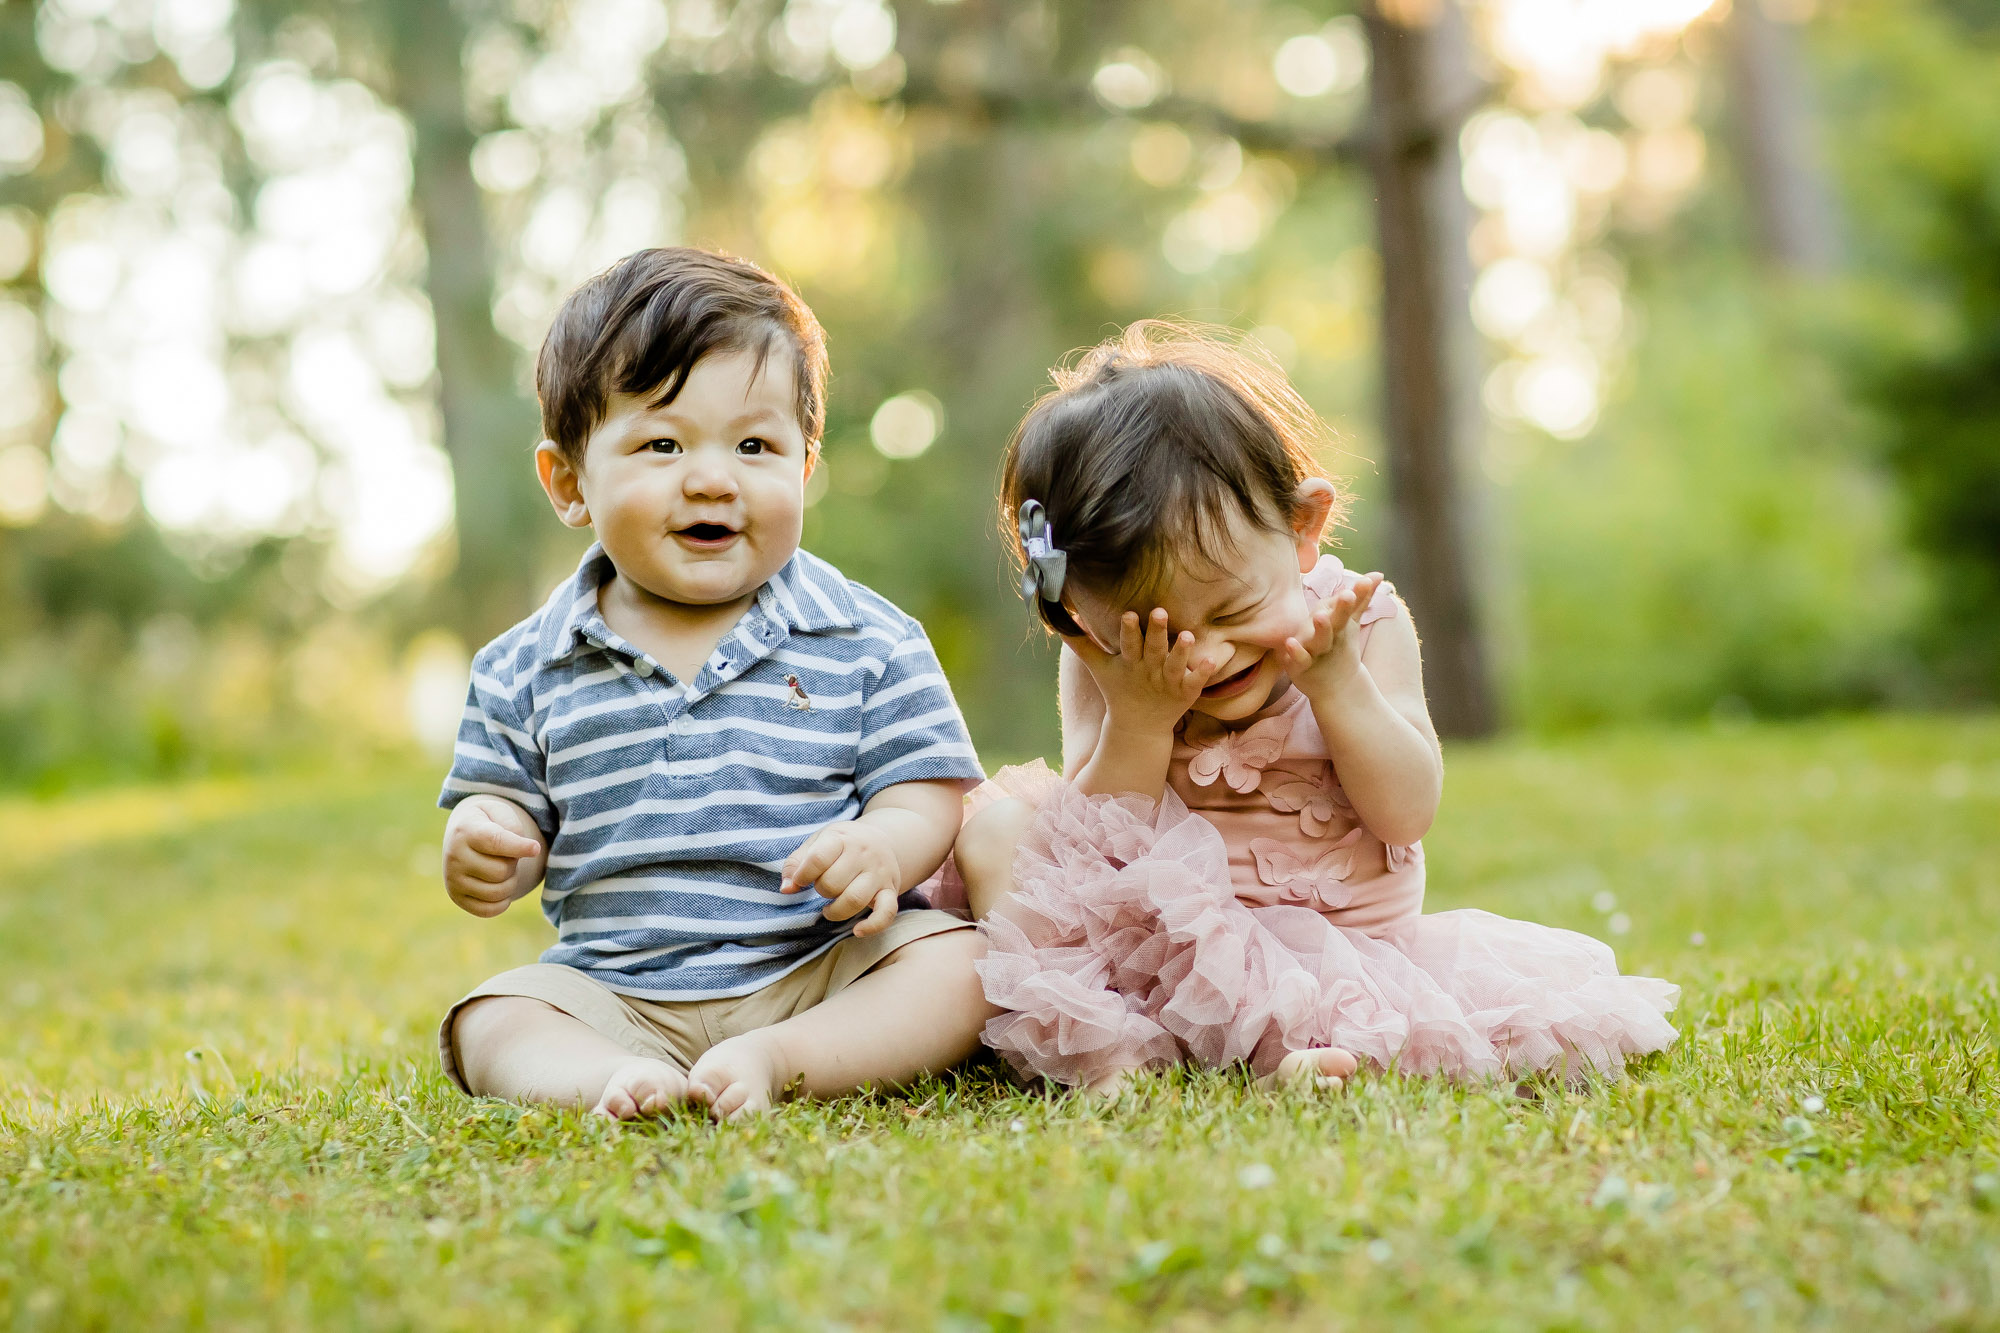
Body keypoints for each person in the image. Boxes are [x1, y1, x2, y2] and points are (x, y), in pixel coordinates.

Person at [945, 322, 1679, 1094]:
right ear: (1082, 618)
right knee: (1001, 832)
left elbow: (1406, 812)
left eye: (1233, 611)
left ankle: (1286, 1054)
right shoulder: (1106, 664)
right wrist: (1139, 718)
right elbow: (1091, 849)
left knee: (1341, 1005)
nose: (1210, 657)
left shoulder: (1360, 625)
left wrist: (1338, 687)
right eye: (1166, 636)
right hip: (1160, 958)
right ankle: (1111, 1060)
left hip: (1336, 955)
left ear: (1303, 528)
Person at [436, 248, 992, 1120]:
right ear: (570, 481)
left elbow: (932, 790)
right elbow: (503, 806)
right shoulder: (522, 666)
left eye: (754, 444)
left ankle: (782, 1059)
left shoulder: (866, 637)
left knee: (960, 965)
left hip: (815, 975)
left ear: (804, 466)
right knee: (492, 1018)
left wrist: (885, 843)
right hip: (616, 993)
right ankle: (609, 1081)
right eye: (661, 443)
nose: (711, 476)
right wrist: (486, 835)